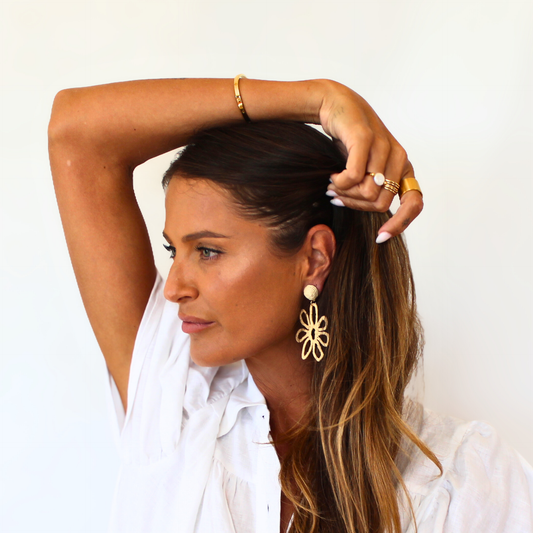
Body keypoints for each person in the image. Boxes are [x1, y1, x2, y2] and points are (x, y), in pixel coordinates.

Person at [48, 77, 532, 533]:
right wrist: (318, 98)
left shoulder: (463, 482)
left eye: (208, 251)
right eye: (174, 250)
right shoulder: (175, 396)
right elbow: (77, 135)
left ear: (314, 258)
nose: (173, 288)